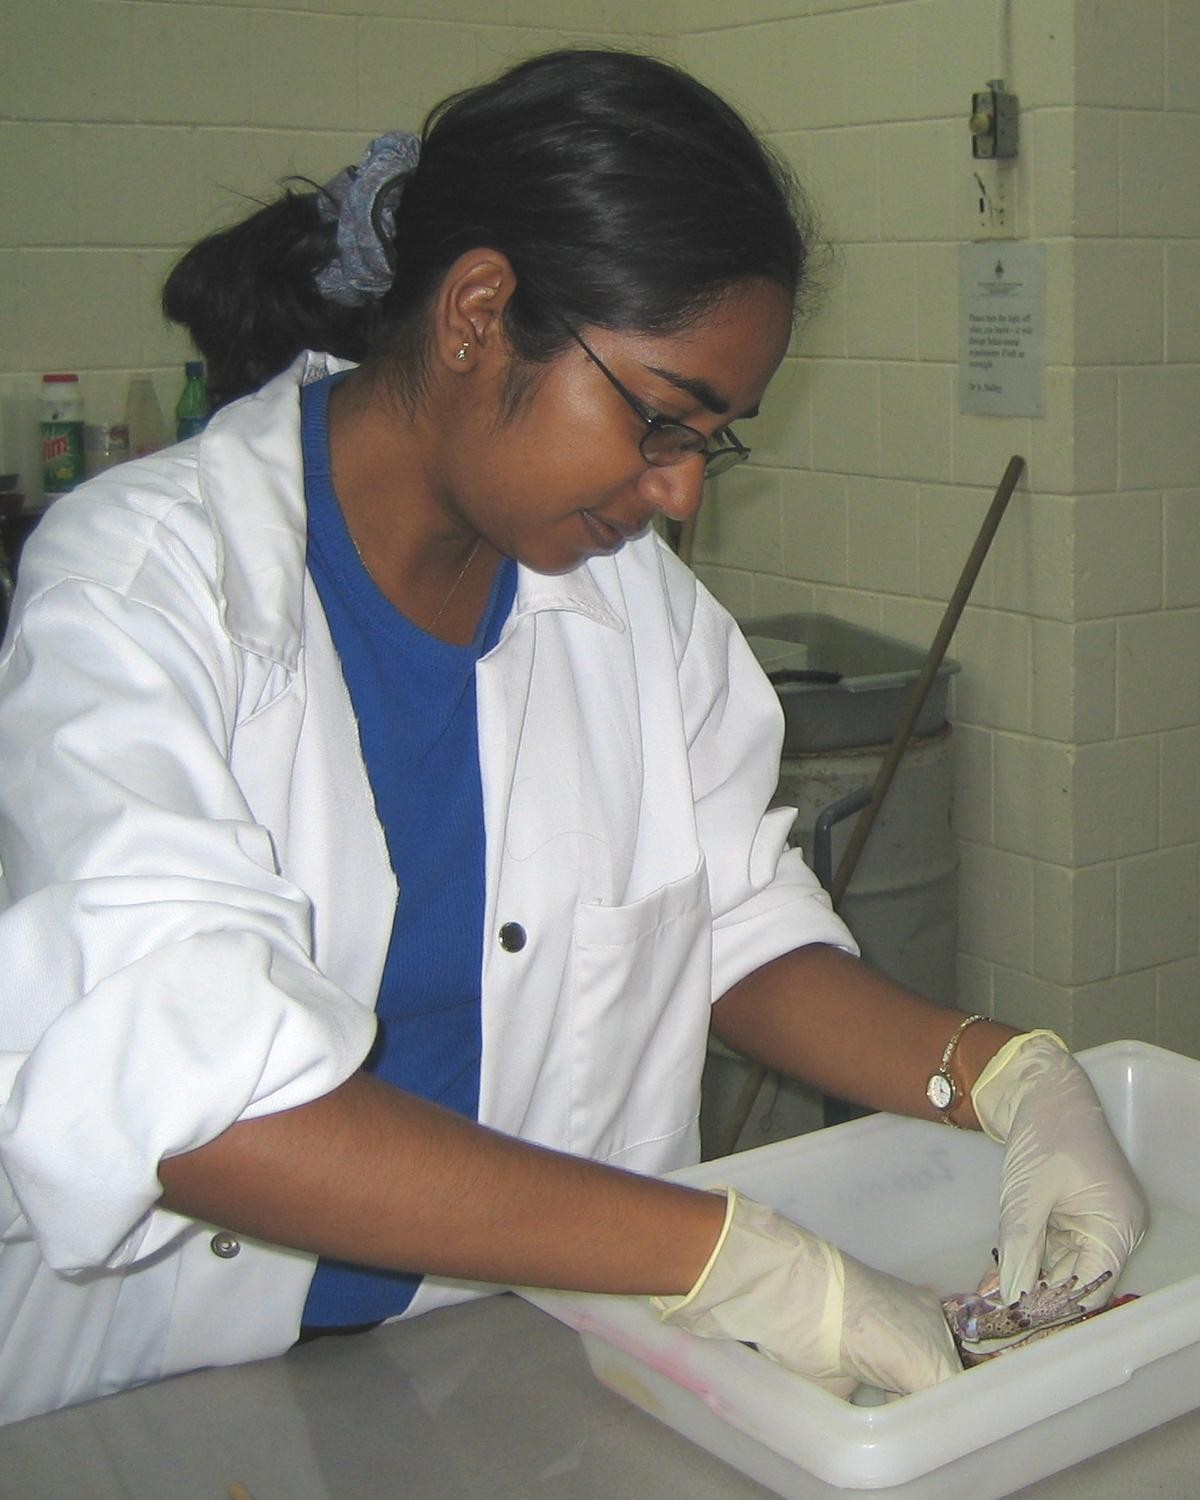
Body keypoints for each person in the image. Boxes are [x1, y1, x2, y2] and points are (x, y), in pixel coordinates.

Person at [0, 48, 1146, 1425]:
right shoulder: (143, 588)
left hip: (519, 1364)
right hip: (169, 1393)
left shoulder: (637, 617)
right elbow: (201, 1107)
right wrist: (727, 1260)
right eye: (659, 417)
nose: (674, 494)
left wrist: (1007, 1076)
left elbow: (738, 933)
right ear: (480, 311)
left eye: (710, 442)